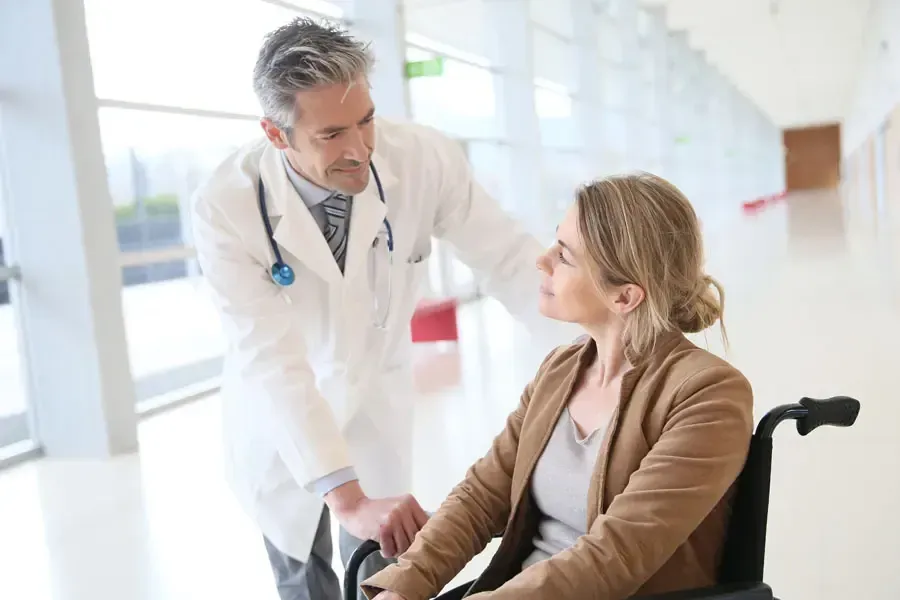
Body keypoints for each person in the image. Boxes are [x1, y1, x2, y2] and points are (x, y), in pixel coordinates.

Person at [190, 16, 574, 600]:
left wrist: (597, 348)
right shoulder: (226, 206)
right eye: (331, 135)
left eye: (365, 120)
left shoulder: (421, 158)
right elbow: (270, 358)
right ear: (276, 134)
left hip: (376, 398)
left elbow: (508, 259)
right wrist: (344, 496)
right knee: (304, 571)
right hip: (282, 417)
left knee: (379, 571)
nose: (360, 149)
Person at [360, 173, 756, 600]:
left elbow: (616, 556)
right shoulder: (561, 369)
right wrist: (404, 585)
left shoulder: (708, 394)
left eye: (564, 256)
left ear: (625, 297)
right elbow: (481, 496)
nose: (542, 260)